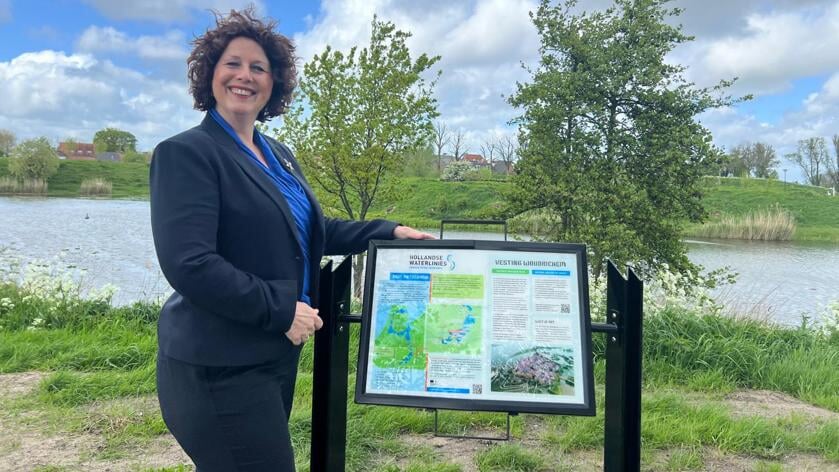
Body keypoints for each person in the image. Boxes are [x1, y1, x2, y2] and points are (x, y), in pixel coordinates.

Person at [149, 8, 433, 471]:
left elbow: (309, 233)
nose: (245, 76)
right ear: (210, 76)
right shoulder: (186, 154)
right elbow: (189, 263)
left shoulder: (276, 153)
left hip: (271, 354)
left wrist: (384, 230)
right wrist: (280, 309)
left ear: (274, 83)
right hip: (217, 365)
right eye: (233, 64)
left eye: (258, 67)